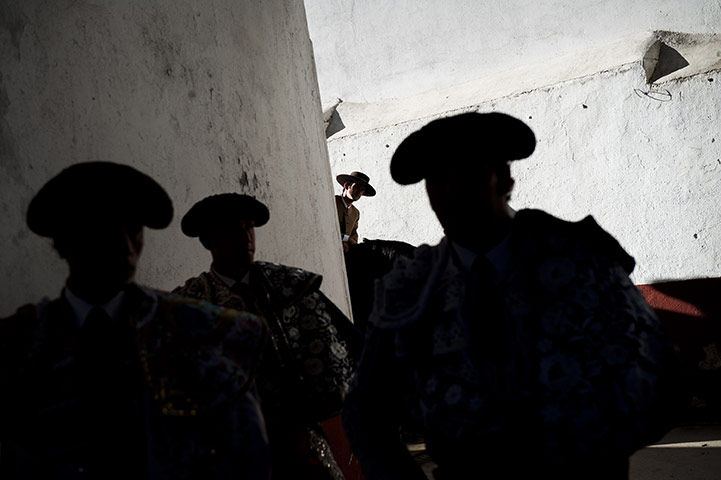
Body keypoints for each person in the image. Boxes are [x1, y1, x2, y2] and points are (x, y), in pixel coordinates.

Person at [343, 112, 679, 479]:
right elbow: (365, 410)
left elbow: (660, 381)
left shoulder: (581, 257)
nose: (452, 193)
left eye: (467, 174)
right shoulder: (411, 284)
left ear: (504, 179)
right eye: (437, 180)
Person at [0, 162, 270, 480]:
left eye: (133, 229)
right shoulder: (14, 344)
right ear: (62, 242)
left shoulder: (207, 332)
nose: (126, 248)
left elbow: (248, 462)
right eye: (102, 230)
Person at [173, 193, 362, 480]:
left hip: (301, 440)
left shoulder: (292, 286)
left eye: (248, 227)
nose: (246, 237)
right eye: (233, 229)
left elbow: (350, 348)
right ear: (208, 240)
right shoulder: (188, 305)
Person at [335, 171, 376, 252]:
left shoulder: (355, 213)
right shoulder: (333, 201)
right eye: (356, 187)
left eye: (362, 190)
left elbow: (354, 238)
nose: (359, 192)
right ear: (347, 186)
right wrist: (346, 239)